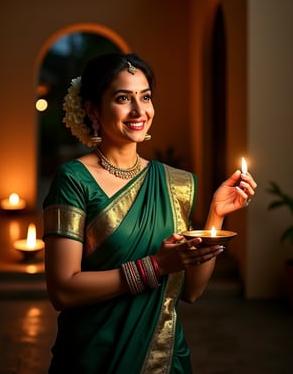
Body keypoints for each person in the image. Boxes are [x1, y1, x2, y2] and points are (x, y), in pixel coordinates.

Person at [43, 52, 257, 374]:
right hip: (94, 357)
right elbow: (62, 289)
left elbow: (192, 291)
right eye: (122, 98)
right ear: (92, 109)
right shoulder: (73, 180)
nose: (139, 111)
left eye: (145, 97)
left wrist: (215, 215)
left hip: (164, 358)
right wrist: (155, 266)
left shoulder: (176, 183)